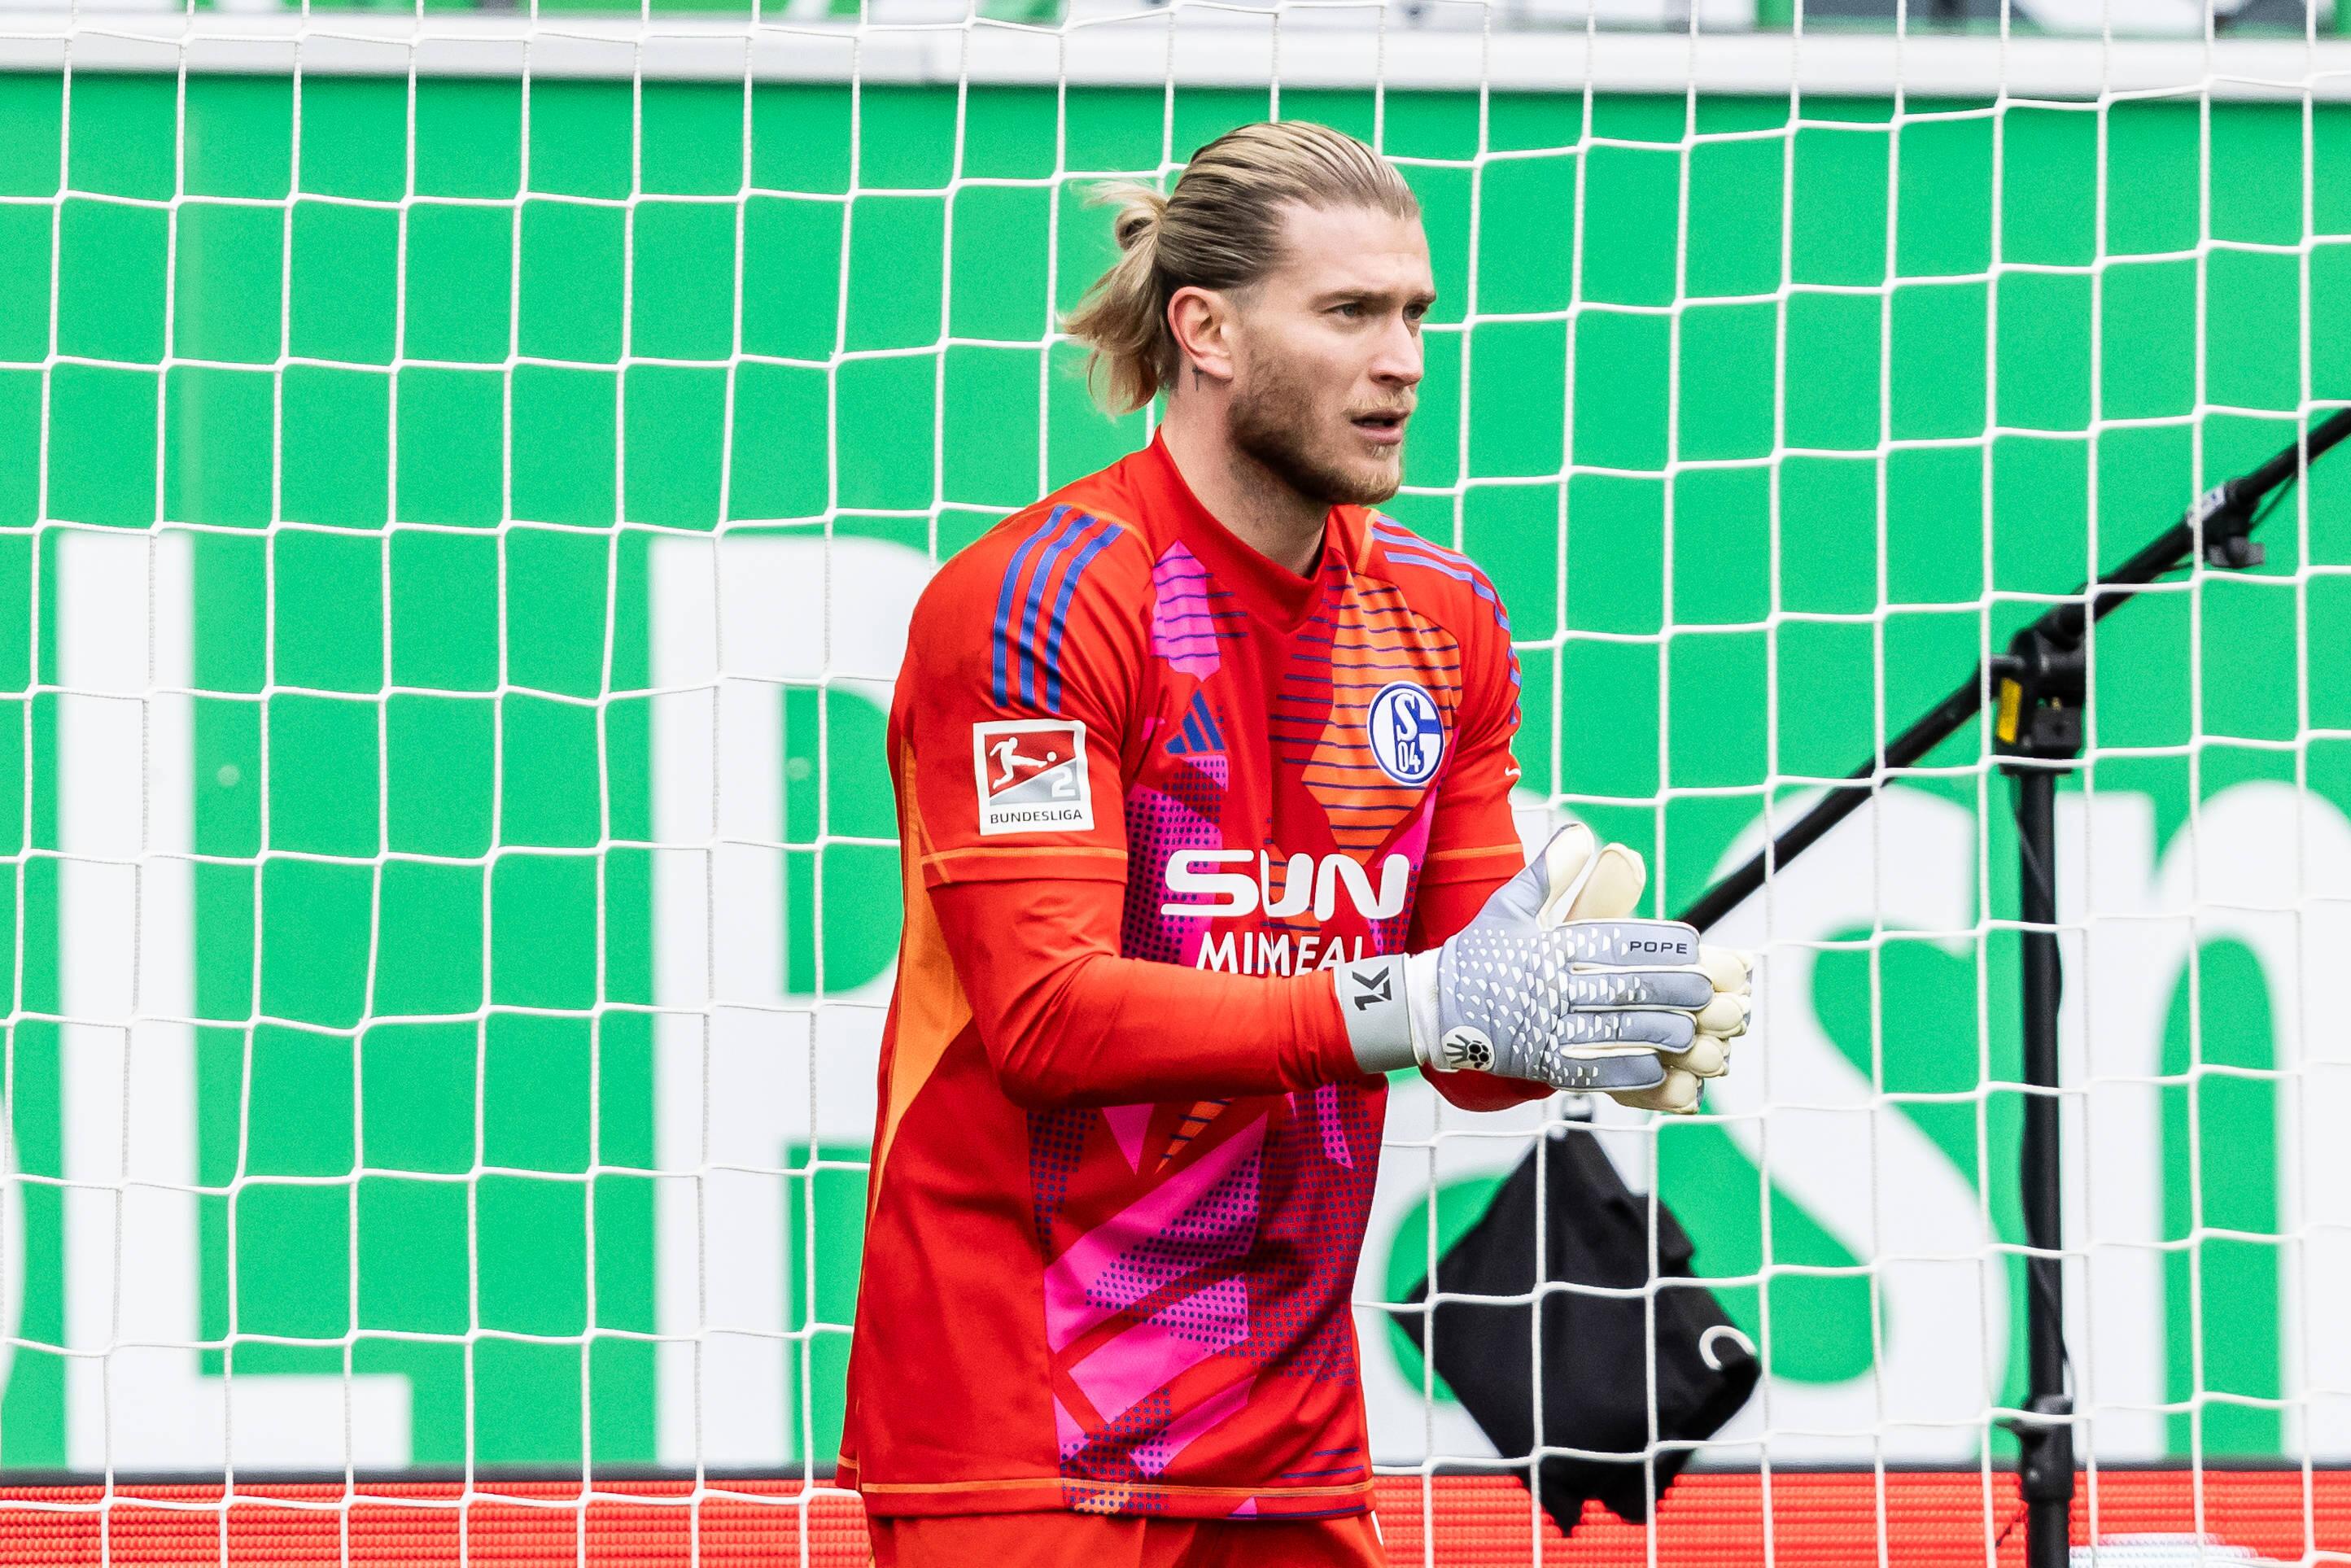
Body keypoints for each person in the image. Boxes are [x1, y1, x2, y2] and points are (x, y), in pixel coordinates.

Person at [842, 120, 1749, 1568]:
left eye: (1415, 316)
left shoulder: (1443, 616)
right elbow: (1049, 1019)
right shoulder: (1045, 599)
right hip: (1024, 1428)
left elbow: (1464, 1043)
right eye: (1349, 313)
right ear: (1203, 330)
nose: (1402, 362)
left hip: (1287, 1435)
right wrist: (1422, 1001)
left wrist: (1581, 1015)